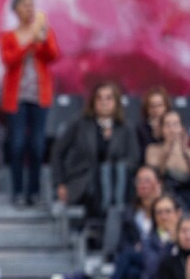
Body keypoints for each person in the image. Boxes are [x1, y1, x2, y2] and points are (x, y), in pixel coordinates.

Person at [0, 0, 61, 205]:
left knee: (37, 145)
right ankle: (16, 190)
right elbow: (9, 60)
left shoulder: (43, 31)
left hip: (39, 96)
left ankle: (33, 191)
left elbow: (53, 56)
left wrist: (41, 39)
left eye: (31, 4)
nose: (29, 8)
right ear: (15, 10)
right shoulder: (9, 36)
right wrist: (28, 42)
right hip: (16, 97)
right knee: (16, 144)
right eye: (24, 5)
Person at [52, 81, 139, 215]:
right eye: (99, 98)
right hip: (83, 183)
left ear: (116, 102)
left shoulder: (126, 127)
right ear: (93, 101)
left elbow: (134, 158)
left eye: (109, 98)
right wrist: (60, 183)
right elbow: (57, 153)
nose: (104, 102)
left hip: (117, 183)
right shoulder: (79, 123)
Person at [145, 109, 190, 207]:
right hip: (162, 198)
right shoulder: (152, 149)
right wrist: (166, 153)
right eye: (167, 125)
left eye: (175, 124)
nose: (171, 129)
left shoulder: (187, 152)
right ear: (161, 129)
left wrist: (184, 152)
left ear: (181, 128)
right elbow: (155, 177)